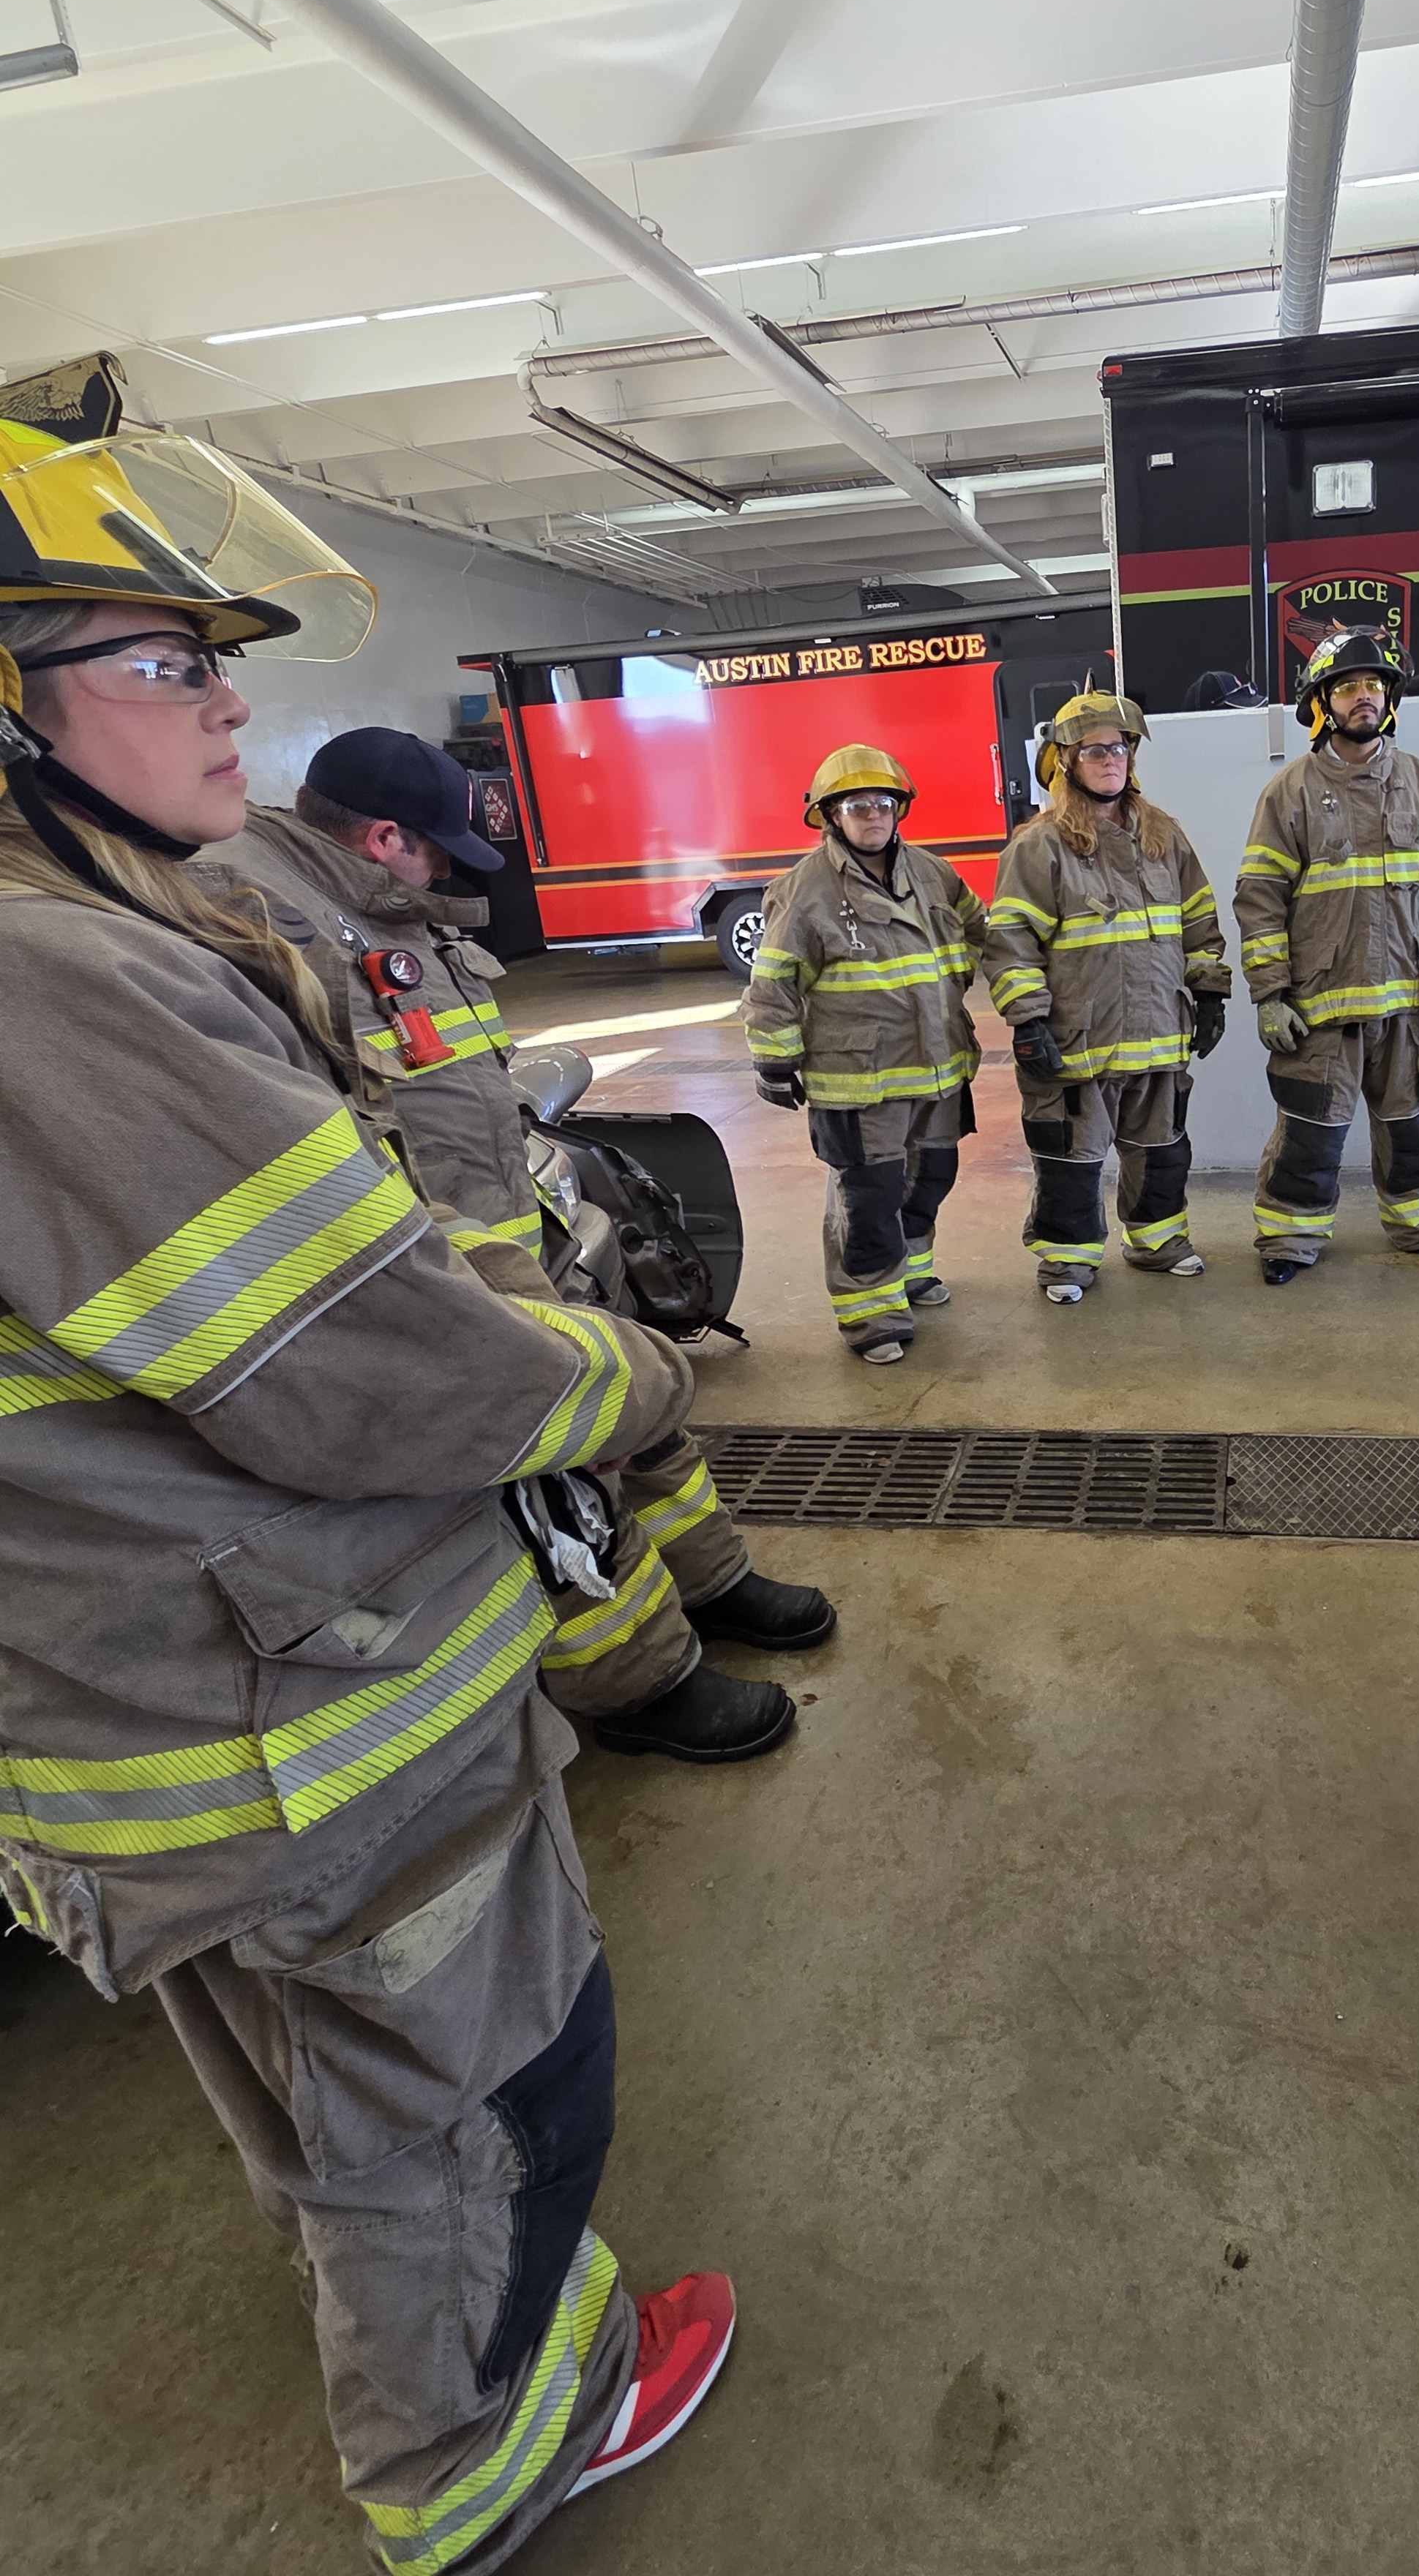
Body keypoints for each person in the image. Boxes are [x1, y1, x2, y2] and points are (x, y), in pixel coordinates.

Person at [0, 421, 735, 2568]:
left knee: (339, 2097)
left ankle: (441, 2360)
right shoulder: (56, 975)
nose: (230, 704)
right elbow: (360, 1371)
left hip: (156, 1704)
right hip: (300, 1713)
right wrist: (628, 1372)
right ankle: (488, 2454)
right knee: (476, 2083)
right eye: (163, 659)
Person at [213, 729, 836, 1770]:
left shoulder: (381, 911)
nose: (449, 872)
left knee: (642, 1424)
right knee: (555, 1489)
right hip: (452, 1284)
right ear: (384, 838)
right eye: (438, 850)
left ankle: (711, 1581)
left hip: (522, 1246)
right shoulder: (268, 923)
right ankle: (641, 1684)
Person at [1232, 628, 1419, 1283]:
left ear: (1389, 698)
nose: (1363, 695)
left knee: (1413, 1127)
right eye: (1346, 686)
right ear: (1322, 703)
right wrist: (1271, 994)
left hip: (1407, 1002)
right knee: (1310, 1132)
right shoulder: (1290, 792)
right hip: (1320, 1007)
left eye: (1373, 684)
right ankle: (1290, 1239)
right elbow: (1260, 899)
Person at [981, 689, 1230, 1302]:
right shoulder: (1039, 846)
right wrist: (1027, 1021)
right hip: (1078, 1038)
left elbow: (1199, 920)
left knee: (1162, 1149)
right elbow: (1011, 941)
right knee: (1072, 1158)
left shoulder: (1164, 835)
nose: (1111, 759)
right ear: (1065, 762)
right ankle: (1067, 1262)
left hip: (1158, 1031)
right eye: (1094, 750)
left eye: (1119, 748)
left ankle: (1158, 1242)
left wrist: (1208, 993)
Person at [746, 744, 986, 1362]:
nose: (873, 815)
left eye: (883, 802)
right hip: (857, 1077)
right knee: (869, 1196)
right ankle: (871, 1314)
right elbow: (773, 981)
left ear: (899, 808)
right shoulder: (806, 890)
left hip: (939, 1066)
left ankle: (910, 1275)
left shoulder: (932, 873)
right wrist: (773, 1057)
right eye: (857, 805)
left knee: (932, 1176)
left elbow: (978, 929)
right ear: (831, 815)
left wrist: (972, 977)